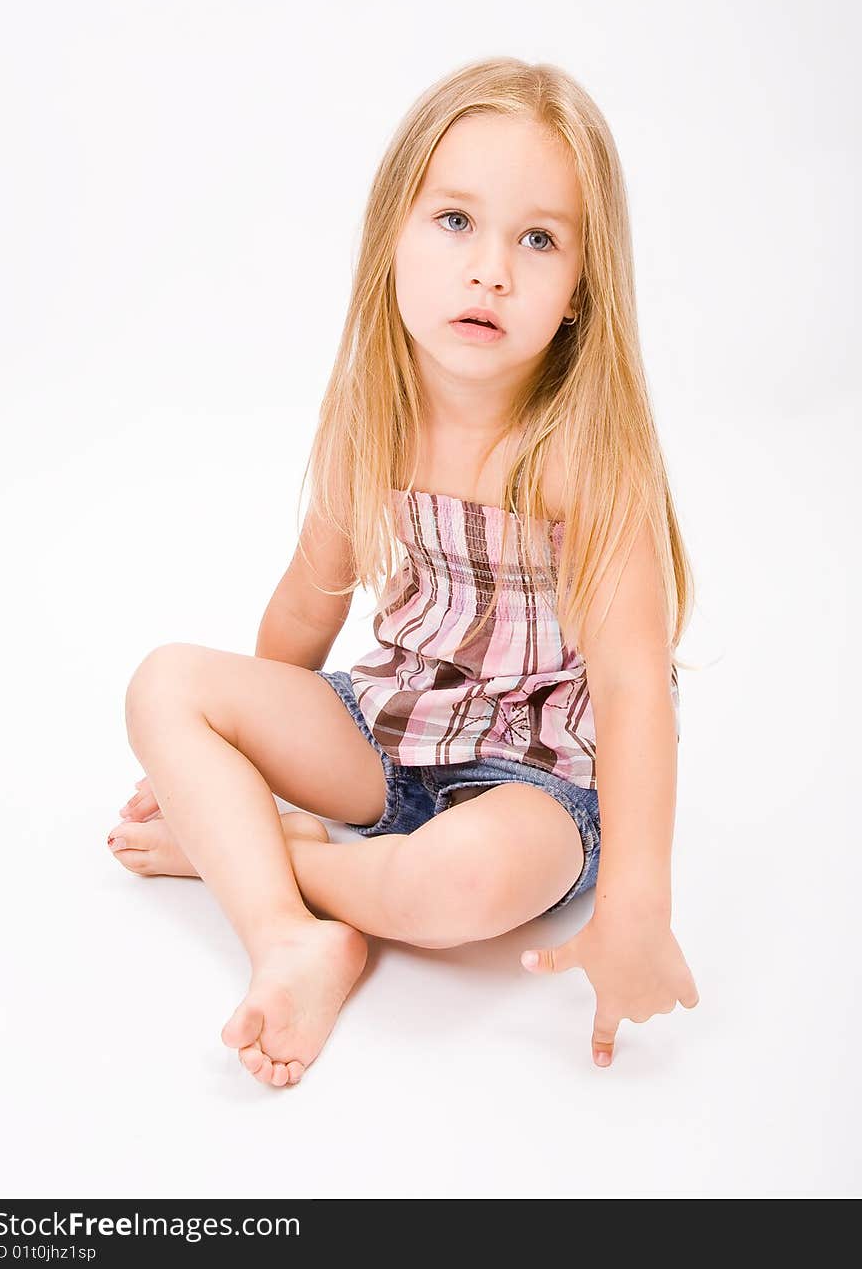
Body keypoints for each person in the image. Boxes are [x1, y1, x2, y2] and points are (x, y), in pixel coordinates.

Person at [107, 56, 700, 1088]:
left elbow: (634, 688)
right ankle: (292, 936)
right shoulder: (371, 420)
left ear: (576, 295)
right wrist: (239, 755)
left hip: (539, 781)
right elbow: (306, 604)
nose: (491, 271)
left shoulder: (578, 457)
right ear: (391, 238)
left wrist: (637, 906)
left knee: (458, 884)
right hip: (395, 726)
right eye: (455, 221)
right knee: (166, 681)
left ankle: (255, 855)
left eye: (537, 239)